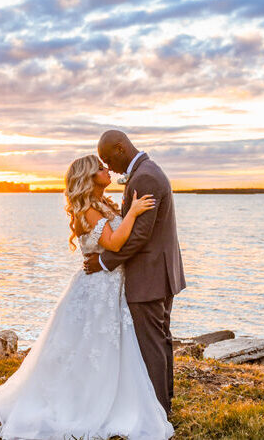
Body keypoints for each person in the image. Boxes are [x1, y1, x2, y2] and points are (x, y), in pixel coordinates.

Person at [0, 154, 175, 440]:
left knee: (108, 346)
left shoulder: (103, 205)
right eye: (101, 168)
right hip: (97, 288)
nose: (108, 170)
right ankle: (79, 403)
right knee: (87, 346)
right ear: (89, 177)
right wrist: (134, 213)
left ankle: (114, 395)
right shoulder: (89, 211)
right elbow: (115, 242)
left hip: (112, 285)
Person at [84, 130, 186, 416]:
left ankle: (157, 412)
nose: (107, 165)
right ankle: (163, 403)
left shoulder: (145, 177)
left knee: (152, 343)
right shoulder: (147, 172)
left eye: (106, 158)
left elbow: (140, 235)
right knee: (160, 338)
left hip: (149, 275)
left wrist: (104, 262)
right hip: (158, 273)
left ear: (120, 148)